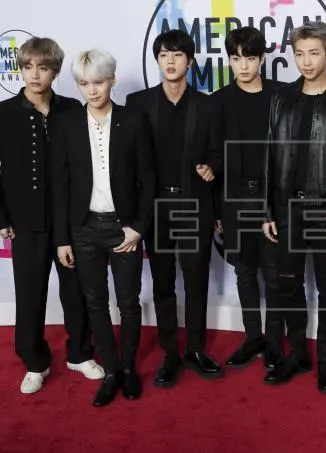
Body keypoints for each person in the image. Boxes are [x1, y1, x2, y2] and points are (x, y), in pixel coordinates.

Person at [0, 37, 103, 394]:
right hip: (25, 224)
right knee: (30, 295)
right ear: (21, 69)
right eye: (28, 67)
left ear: (56, 71)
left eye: (44, 67)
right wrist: (0, 218)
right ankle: (34, 362)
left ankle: (80, 354)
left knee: (76, 292)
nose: (35, 75)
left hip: (71, 220)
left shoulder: (72, 109)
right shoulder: (1, 113)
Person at [52, 49, 155, 407]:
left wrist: (138, 228)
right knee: (95, 302)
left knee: (128, 302)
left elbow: (148, 179)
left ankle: (128, 368)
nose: (92, 90)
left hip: (123, 227)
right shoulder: (67, 124)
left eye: (98, 82)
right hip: (83, 229)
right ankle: (111, 371)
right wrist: (62, 239)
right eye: (84, 83)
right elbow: (60, 185)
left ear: (112, 80)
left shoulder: (134, 120)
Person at [262, 21, 326, 391]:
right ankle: (299, 355)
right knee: (288, 285)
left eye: (314, 53)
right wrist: (267, 211)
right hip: (287, 209)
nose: (306, 61)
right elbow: (269, 155)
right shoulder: (282, 97)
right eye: (300, 54)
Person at [126, 29, 224, 387]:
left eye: (177, 55)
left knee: (196, 282)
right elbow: (129, 161)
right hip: (155, 207)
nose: (170, 61)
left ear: (190, 61)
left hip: (194, 205)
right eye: (164, 55)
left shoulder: (207, 105)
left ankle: (196, 350)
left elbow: (218, 152)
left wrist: (211, 168)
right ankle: (170, 353)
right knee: (163, 283)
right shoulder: (138, 103)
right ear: (157, 60)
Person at [212, 26, 286, 371]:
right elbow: (214, 156)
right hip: (234, 199)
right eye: (236, 58)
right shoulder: (219, 101)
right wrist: (218, 209)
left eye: (250, 58)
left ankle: (274, 342)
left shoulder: (280, 95)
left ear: (262, 59)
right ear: (229, 60)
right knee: (244, 271)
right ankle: (253, 336)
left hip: (272, 198)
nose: (243, 66)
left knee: (273, 273)